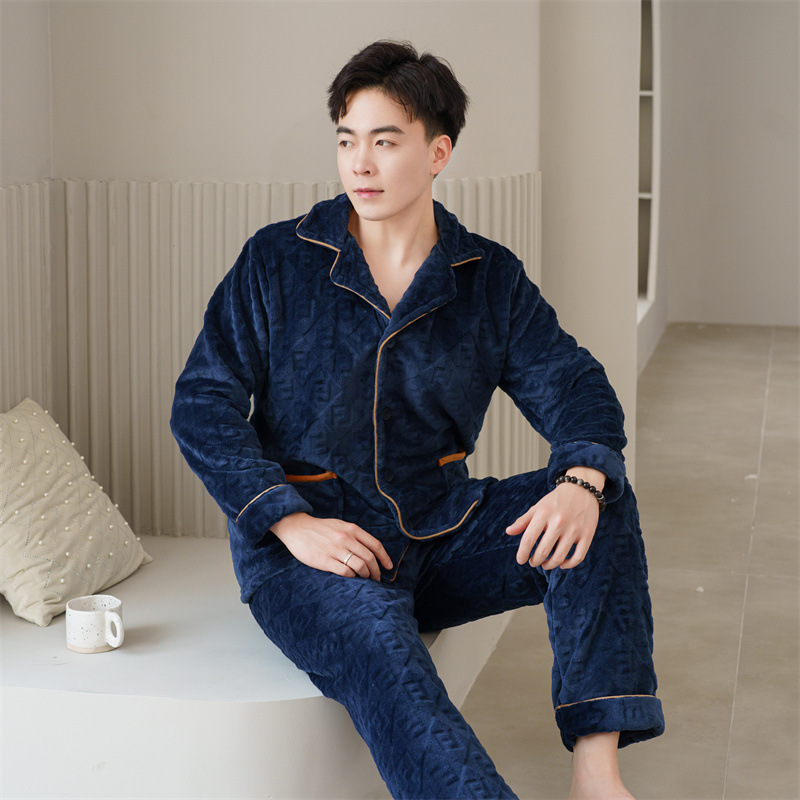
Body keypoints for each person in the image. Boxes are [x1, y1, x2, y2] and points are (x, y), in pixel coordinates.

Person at [171, 40, 664, 800]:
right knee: (383, 646)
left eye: (385, 141)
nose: (360, 164)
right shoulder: (277, 261)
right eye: (347, 141)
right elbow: (202, 403)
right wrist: (288, 521)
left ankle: (596, 776)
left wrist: (580, 480)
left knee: (603, 500)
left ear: (438, 153)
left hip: (440, 533)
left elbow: (574, 384)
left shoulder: (486, 277)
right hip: (309, 557)